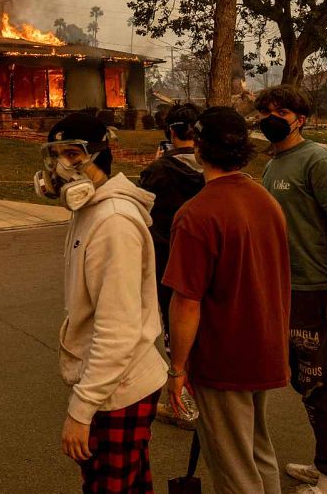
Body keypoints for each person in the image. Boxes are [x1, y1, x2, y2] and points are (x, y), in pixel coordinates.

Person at [35, 113, 168, 493]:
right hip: (114, 383)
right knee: (132, 484)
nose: (62, 166)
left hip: (119, 389)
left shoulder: (112, 222)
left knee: (107, 486)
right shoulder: (89, 211)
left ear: (100, 156)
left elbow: (117, 329)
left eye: (74, 154)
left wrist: (82, 408)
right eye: (56, 154)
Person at [163, 107, 290, 494]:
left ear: (199, 148)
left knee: (234, 468)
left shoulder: (197, 215)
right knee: (257, 451)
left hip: (224, 356)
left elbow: (186, 302)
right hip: (265, 346)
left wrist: (177, 369)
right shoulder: (265, 200)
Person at [256, 84, 327, 494]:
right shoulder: (274, 164)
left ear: (300, 119)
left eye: (279, 111)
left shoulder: (318, 160)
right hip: (288, 290)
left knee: (326, 384)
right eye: (264, 111)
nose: (269, 118)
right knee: (309, 384)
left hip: (319, 289)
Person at [137, 103, 204, 425]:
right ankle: (211, 401)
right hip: (209, 263)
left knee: (176, 336)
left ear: (171, 132)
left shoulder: (158, 172)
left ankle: (185, 406)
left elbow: (143, 215)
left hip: (169, 263)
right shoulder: (212, 168)